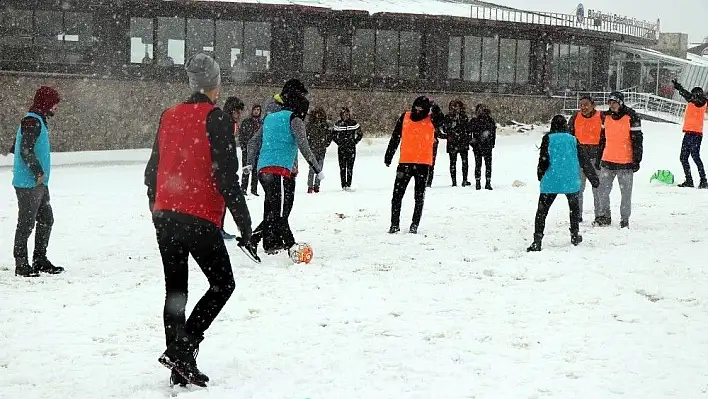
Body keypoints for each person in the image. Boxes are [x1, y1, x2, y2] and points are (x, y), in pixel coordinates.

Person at [143, 53, 254, 387]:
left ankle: (179, 361)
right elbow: (227, 179)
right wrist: (245, 225)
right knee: (223, 284)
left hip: (165, 215)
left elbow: (151, 172)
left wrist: (157, 207)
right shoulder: (216, 119)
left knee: (176, 290)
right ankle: (185, 346)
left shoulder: (169, 115)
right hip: (198, 216)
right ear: (216, 85)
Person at [245, 79, 324, 255]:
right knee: (280, 212)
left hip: (264, 169)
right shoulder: (293, 118)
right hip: (280, 169)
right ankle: (289, 246)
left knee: (274, 208)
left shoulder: (270, 117)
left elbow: (254, 141)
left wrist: (250, 163)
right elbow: (304, 147)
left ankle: (259, 240)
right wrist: (317, 169)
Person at [11, 86, 64, 277]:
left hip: (39, 183)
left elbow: (18, 146)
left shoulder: (36, 120)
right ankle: (22, 264)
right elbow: (25, 149)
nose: (57, 106)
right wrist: (38, 171)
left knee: (46, 219)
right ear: (46, 102)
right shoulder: (32, 121)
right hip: (29, 183)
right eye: (55, 102)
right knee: (26, 224)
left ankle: (39, 259)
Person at [527, 115, 599, 252]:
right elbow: (584, 160)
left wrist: (540, 174)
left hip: (551, 180)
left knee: (542, 212)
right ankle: (574, 235)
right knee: (574, 210)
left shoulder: (548, 139)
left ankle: (537, 240)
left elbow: (543, 159)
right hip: (570, 181)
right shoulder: (573, 139)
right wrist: (593, 178)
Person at [384, 96, 444, 234]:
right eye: (415, 108)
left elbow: (444, 125)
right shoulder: (405, 117)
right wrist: (389, 155)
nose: (417, 111)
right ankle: (394, 224)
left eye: (420, 109)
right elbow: (395, 136)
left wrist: (436, 109)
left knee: (419, 196)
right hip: (405, 161)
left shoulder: (432, 119)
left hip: (423, 163)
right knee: (397, 195)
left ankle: (414, 224)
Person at [595, 91, 643, 228]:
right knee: (602, 191)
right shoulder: (606, 117)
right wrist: (599, 158)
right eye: (610, 103)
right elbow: (602, 139)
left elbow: (638, 140)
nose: (612, 105)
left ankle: (624, 219)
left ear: (621, 103)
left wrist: (636, 159)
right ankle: (605, 216)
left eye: (614, 102)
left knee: (626, 194)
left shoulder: (631, 116)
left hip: (625, 163)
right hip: (607, 161)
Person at [568, 95, 605, 222]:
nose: (583, 107)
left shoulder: (602, 117)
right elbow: (569, 136)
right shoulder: (575, 118)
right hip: (579, 159)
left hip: (596, 159)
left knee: (598, 188)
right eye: (581, 105)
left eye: (586, 104)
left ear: (593, 105)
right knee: (578, 189)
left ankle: (600, 215)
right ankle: (577, 215)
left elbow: (606, 137)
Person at [672, 80, 707, 188]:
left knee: (695, 157)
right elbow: (689, 96)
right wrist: (680, 89)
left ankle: (703, 180)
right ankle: (689, 180)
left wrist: (680, 89)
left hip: (695, 134)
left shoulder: (701, 101)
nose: (692, 96)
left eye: (694, 94)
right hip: (688, 133)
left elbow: (690, 96)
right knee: (684, 157)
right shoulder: (693, 100)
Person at [219, 96, 245, 240]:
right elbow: (227, 148)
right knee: (222, 201)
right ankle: (218, 228)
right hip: (222, 169)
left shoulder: (223, 121)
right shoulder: (227, 123)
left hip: (219, 167)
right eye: (238, 112)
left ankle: (218, 227)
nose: (239, 115)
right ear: (233, 111)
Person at [332, 107, 363, 191]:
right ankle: (343, 185)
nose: (346, 116)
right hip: (341, 149)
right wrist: (339, 142)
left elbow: (360, 134)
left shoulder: (354, 123)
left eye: (347, 114)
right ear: (341, 115)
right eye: (344, 114)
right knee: (342, 167)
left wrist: (354, 142)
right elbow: (333, 135)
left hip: (351, 149)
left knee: (350, 167)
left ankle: (348, 185)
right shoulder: (338, 124)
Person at [443, 99, 470, 187]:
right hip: (453, 142)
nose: (455, 109)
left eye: (457, 107)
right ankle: (454, 181)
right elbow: (445, 129)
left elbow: (467, 129)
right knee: (453, 162)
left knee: (464, 162)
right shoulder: (448, 117)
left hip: (462, 141)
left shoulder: (464, 117)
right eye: (453, 107)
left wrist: (462, 133)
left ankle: (465, 180)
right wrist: (451, 128)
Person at [469, 103, 496, 190]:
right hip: (478, 146)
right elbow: (469, 132)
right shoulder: (475, 121)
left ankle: (487, 182)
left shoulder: (489, 120)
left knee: (485, 164)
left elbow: (493, 133)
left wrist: (492, 143)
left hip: (486, 145)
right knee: (479, 164)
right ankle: (478, 182)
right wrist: (472, 142)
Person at [306, 106, 333, 193]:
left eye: (320, 114)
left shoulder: (325, 125)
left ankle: (317, 185)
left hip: (322, 149)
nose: (318, 116)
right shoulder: (310, 124)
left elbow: (329, 135)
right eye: (317, 114)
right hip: (312, 149)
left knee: (320, 168)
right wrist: (309, 145)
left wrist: (326, 144)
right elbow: (306, 136)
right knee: (312, 168)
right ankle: (310, 186)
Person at [238, 104, 263, 195]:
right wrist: (243, 146)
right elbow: (241, 134)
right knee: (246, 168)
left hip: (258, 150)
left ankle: (254, 189)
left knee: (256, 170)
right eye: (255, 109)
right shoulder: (246, 121)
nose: (256, 111)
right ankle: (243, 188)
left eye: (258, 110)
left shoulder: (261, 123)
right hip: (247, 149)